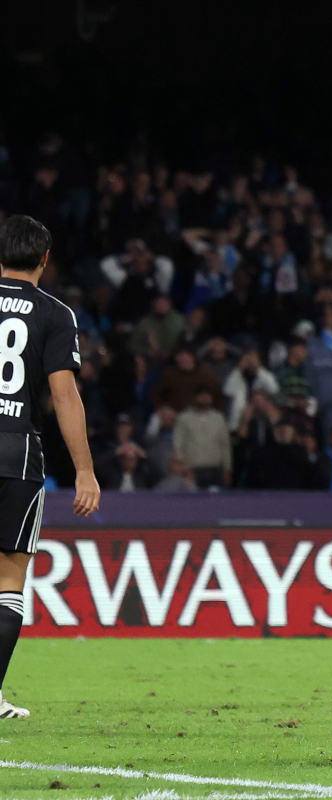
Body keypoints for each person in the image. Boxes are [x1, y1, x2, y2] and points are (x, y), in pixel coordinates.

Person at [0, 215, 101, 719]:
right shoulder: (56, 313)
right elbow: (64, 394)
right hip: (16, 451)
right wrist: (84, 470)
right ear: (44, 260)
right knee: (8, 580)